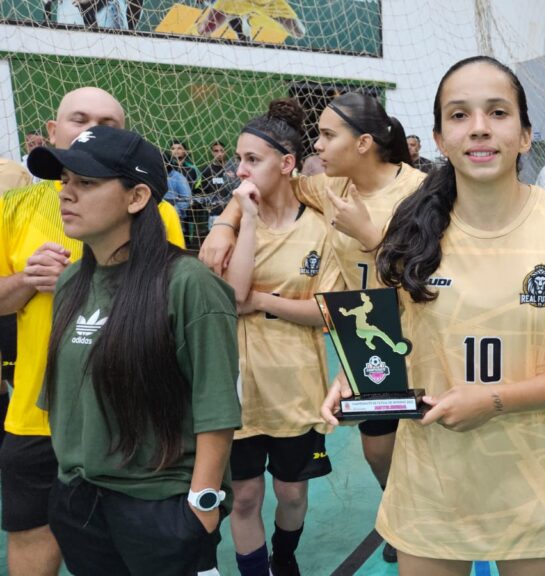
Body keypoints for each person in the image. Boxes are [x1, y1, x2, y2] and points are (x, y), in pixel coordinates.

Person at [322, 55, 545, 576]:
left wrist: (495, 400)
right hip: (431, 490)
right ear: (440, 140)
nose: (480, 127)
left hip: (537, 490)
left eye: (498, 112)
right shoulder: (409, 230)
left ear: (525, 135)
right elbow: (386, 333)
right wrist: (352, 376)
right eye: (460, 115)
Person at [201, 90, 426, 565]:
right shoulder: (330, 188)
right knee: (378, 448)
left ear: (363, 142)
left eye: (326, 135)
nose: (317, 146)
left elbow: (432, 271)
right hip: (369, 331)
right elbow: (263, 184)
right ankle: (400, 513)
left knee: (431, 437)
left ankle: (424, 528)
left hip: (421, 325)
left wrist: (371, 237)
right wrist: (225, 222)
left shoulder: (420, 192)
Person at [25, 124, 239, 574]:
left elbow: (216, 405)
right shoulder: (70, 283)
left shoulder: (189, 284)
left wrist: (200, 506)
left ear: (137, 197)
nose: (66, 193)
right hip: (79, 505)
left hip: (160, 508)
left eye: (87, 182)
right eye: (65, 180)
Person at [0, 87, 185, 576]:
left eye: (107, 124)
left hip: (129, 418)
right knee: (32, 536)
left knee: (122, 549)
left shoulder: (156, 213)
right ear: (53, 131)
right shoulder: (13, 209)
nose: (91, 131)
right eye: (79, 120)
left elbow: (173, 308)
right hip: (37, 414)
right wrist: (25, 280)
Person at [220, 99, 343, 576]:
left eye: (253, 159)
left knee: (291, 494)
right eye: (239, 159)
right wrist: (245, 219)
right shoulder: (231, 228)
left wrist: (263, 300)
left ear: (287, 163)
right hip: (240, 390)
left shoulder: (320, 228)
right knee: (245, 496)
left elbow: (327, 313)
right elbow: (233, 296)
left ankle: (284, 555)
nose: (240, 169)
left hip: (296, 388)